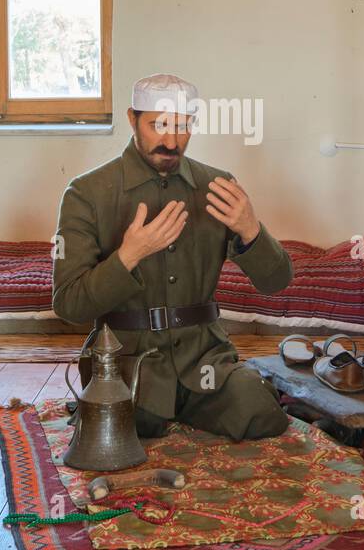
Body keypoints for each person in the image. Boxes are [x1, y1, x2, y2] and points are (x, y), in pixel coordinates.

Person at [52, 72, 291, 440]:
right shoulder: (87, 193)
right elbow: (69, 305)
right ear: (132, 119)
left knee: (260, 413)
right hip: (128, 364)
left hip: (206, 361)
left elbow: (277, 282)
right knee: (132, 429)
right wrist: (128, 255)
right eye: (158, 125)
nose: (171, 140)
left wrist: (251, 230)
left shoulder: (217, 186)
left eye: (183, 126)